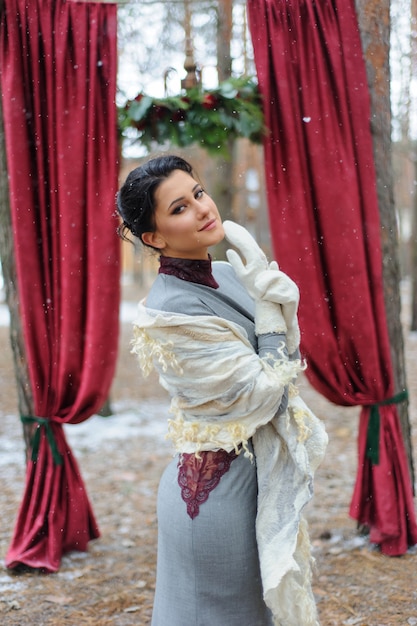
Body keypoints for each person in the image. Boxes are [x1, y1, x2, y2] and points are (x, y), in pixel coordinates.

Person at [116, 154, 327, 626]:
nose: (201, 207)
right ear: (153, 238)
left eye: (197, 193)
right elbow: (262, 393)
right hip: (215, 496)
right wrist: (272, 316)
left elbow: (285, 365)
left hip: (256, 480)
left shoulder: (231, 274)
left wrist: (279, 309)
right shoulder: (169, 314)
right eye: (179, 208)